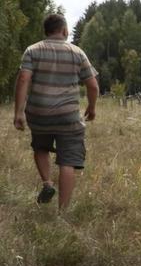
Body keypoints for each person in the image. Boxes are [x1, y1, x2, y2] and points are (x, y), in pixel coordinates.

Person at [13, 14, 99, 209]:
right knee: (67, 161)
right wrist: (91, 108)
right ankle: (62, 213)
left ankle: (47, 183)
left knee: (40, 147)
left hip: (38, 114)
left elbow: (23, 79)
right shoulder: (77, 52)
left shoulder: (32, 51)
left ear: (46, 31)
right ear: (65, 30)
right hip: (68, 117)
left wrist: (18, 113)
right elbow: (92, 85)